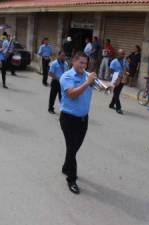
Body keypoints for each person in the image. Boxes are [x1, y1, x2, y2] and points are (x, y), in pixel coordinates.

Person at [59, 52, 95, 194]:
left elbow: (101, 87)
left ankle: (66, 166)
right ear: (74, 61)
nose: (83, 66)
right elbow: (72, 94)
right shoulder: (67, 76)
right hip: (68, 119)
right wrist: (87, 83)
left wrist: (112, 83)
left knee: (74, 147)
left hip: (83, 119)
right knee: (72, 148)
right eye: (81, 63)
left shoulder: (87, 76)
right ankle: (71, 179)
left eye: (85, 63)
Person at [109, 49, 129, 114]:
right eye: (122, 54)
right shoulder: (114, 61)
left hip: (123, 78)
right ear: (118, 54)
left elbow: (127, 69)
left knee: (117, 92)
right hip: (116, 78)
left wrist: (126, 71)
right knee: (116, 93)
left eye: (124, 54)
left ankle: (111, 105)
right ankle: (118, 108)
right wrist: (116, 76)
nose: (123, 55)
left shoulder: (125, 61)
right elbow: (111, 70)